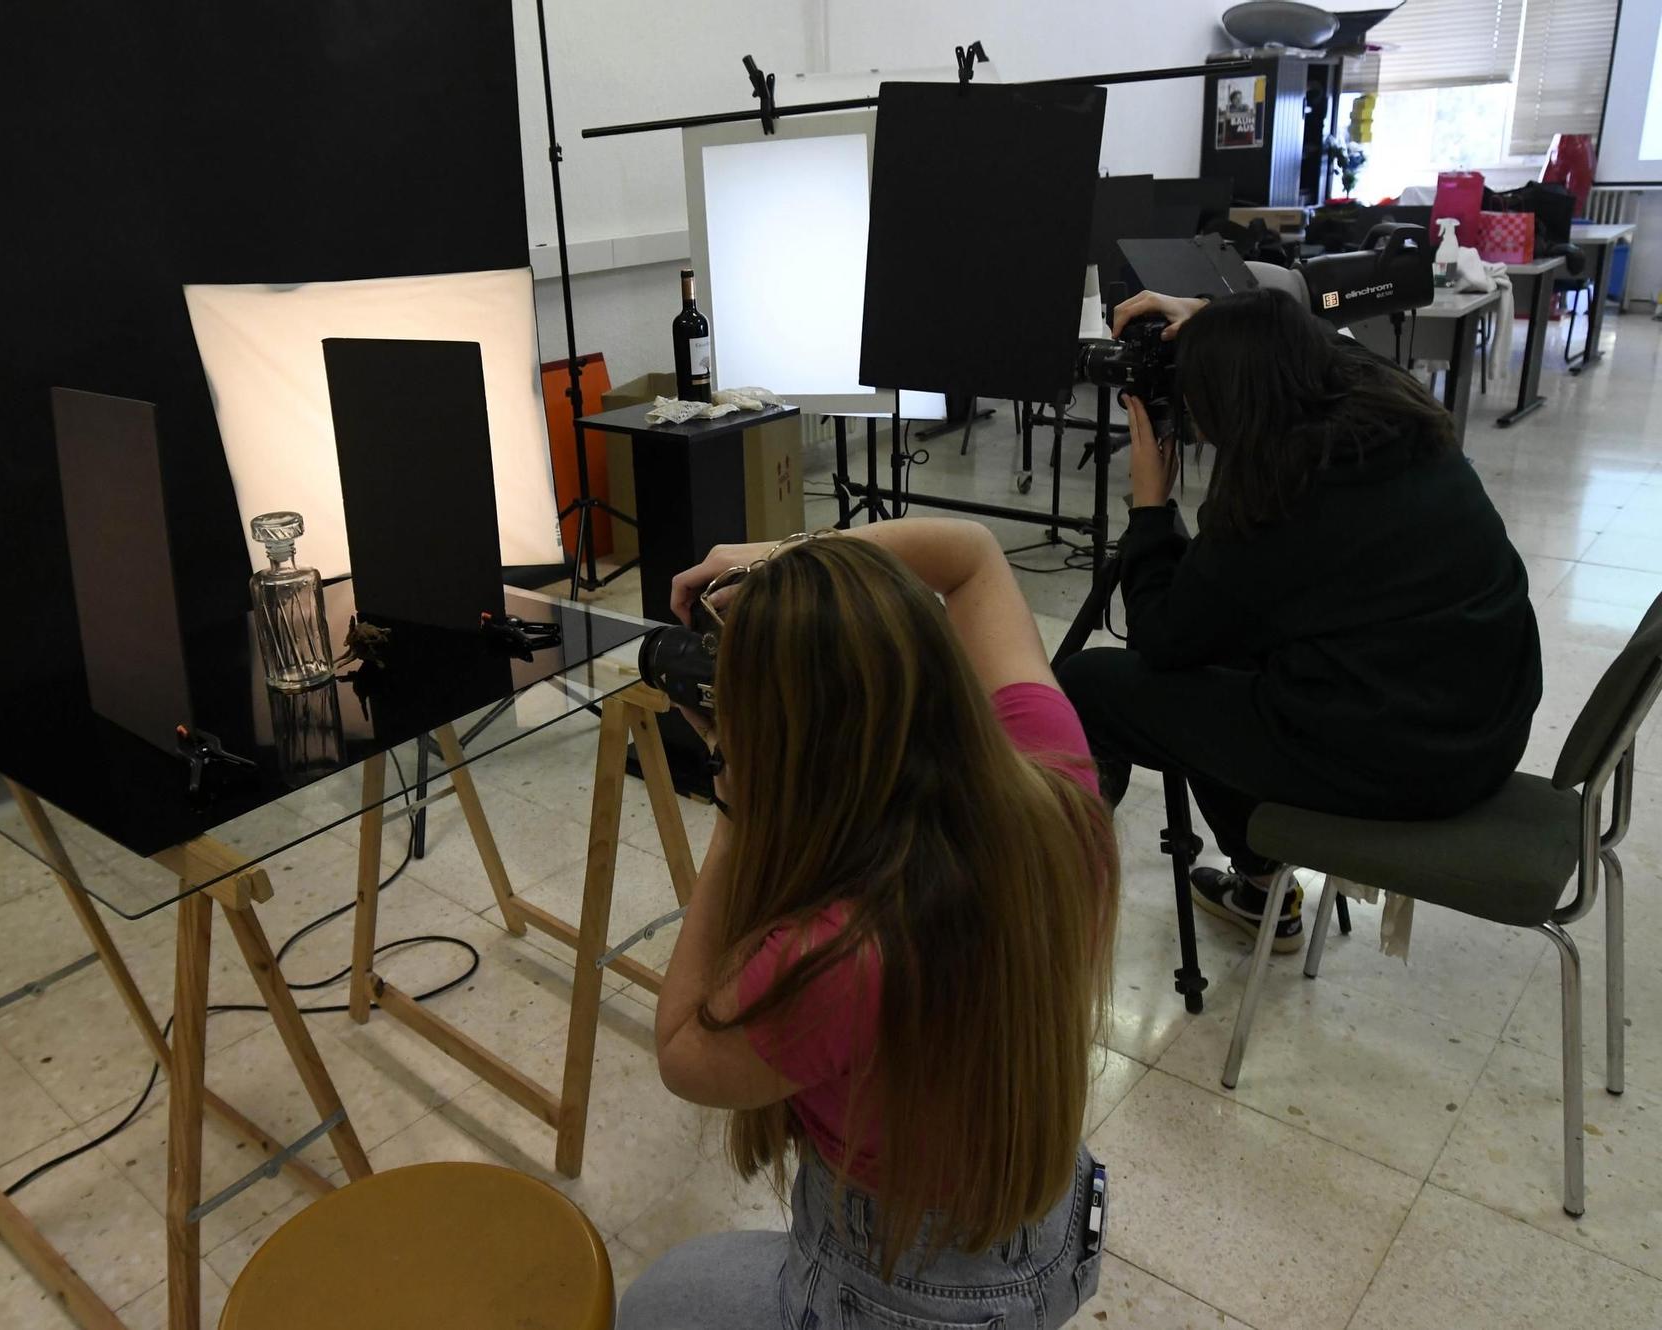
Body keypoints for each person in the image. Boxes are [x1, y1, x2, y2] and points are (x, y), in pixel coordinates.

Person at [617, 518, 1119, 1330]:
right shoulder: (1053, 777)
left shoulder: (842, 952)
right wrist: (792, 560)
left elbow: (682, 1051)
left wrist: (737, 799)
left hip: (911, 1288)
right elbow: (973, 555)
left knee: (651, 1306)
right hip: (1048, 1222)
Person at [1058, 287, 1542, 949]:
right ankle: (1261, 891)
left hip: (1407, 768)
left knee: (1089, 682)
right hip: (1483, 725)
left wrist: (1150, 510)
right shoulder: (1402, 416)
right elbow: (1334, 350)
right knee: (1232, 648)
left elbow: (1165, 638)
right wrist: (1231, 328)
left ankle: (1054, 888)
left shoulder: (1278, 495)